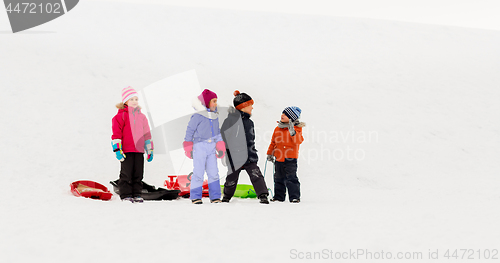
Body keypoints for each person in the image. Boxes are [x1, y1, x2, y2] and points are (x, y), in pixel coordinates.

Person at [221, 90, 269, 204]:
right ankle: (226, 197)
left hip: (249, 155)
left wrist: (252, 151)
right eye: (250, 105)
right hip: (235, 156)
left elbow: (251, 140)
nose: (252, 108)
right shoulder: (230, 121)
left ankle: (263, 195)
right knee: (231, 178)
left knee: (256, 175)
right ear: (243, 106)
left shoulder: (250, 123)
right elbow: (223, 136)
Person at [111, 86, 154, 203]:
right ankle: (125, 195)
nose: (134, 102)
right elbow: (116, 135)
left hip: (139, 150)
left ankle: (137, 194)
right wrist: (117, 150)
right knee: (126, 174)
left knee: (138, 174)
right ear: (125, 101)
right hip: (126, 150)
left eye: (136, 99)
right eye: (131, 99)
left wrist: (149, 149)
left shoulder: (142, 117)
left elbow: (147, 135)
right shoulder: (120, 117)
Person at [183, 89, 225, 204]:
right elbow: (190, 131)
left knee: (214, 172)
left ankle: (215, 197)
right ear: (206, 103)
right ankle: (196, 196)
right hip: (199, 146)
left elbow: (217, 133)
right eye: (213, 101)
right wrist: (188, 146)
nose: (216, 104)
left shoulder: (215, 116)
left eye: (216, 101)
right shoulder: (198, 116)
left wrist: (220, 146)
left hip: (211, 148)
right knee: (198, 172)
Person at [266, 106, 305, 203]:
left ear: (292, 118)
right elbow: (273, 142)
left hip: (290, 158)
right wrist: (270, 153)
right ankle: (279, 197)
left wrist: (293, 133)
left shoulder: (297, 129)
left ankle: (294, 197)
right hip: (279, 157)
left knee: (291, 178)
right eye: (282, 113)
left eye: (286, 115)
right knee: (278, 178)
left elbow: (298, 141)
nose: (282, 115)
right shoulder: (277, 128)